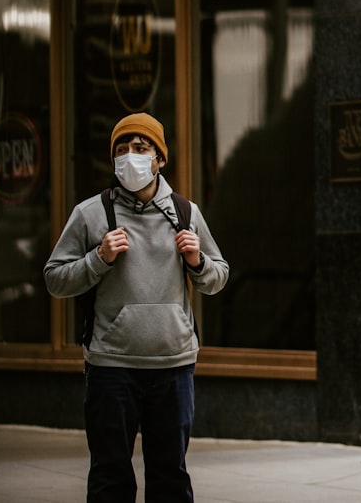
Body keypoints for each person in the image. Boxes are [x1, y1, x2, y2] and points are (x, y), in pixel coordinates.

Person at [44, 112, 229, 502]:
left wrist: (198, 262)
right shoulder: (91, 213)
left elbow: (218, 277)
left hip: (173, 365)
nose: (131, 157)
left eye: (141, 149)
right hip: (112, 367)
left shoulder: (185, 213)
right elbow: (55, 278)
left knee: (170, 479)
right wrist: (98, 258)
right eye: (122, 150)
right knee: (111, 478)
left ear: (160, 159)